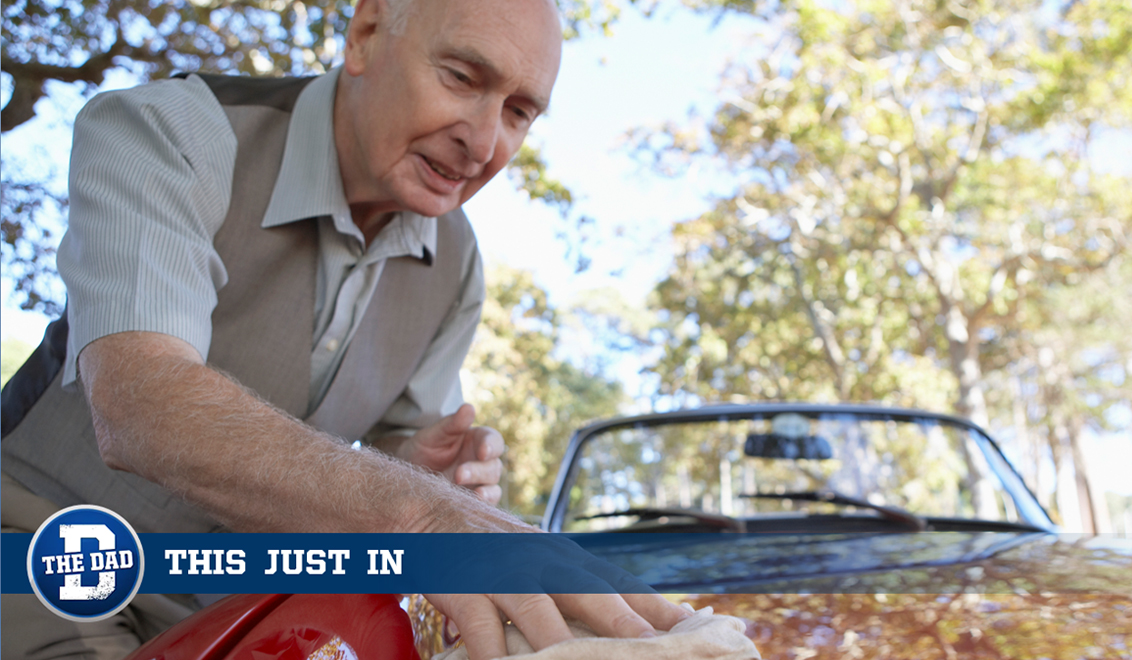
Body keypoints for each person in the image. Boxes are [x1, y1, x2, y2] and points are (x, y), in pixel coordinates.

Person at [0, 0, 689, 658]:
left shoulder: (457, 261)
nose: (483, 143)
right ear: (363, 34)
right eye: (460, 78)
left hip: (244, 604)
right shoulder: (171, 131)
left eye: (518, 112)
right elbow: (138, 402)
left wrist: (424, 470)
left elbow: (395, 460)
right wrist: (422, 512)